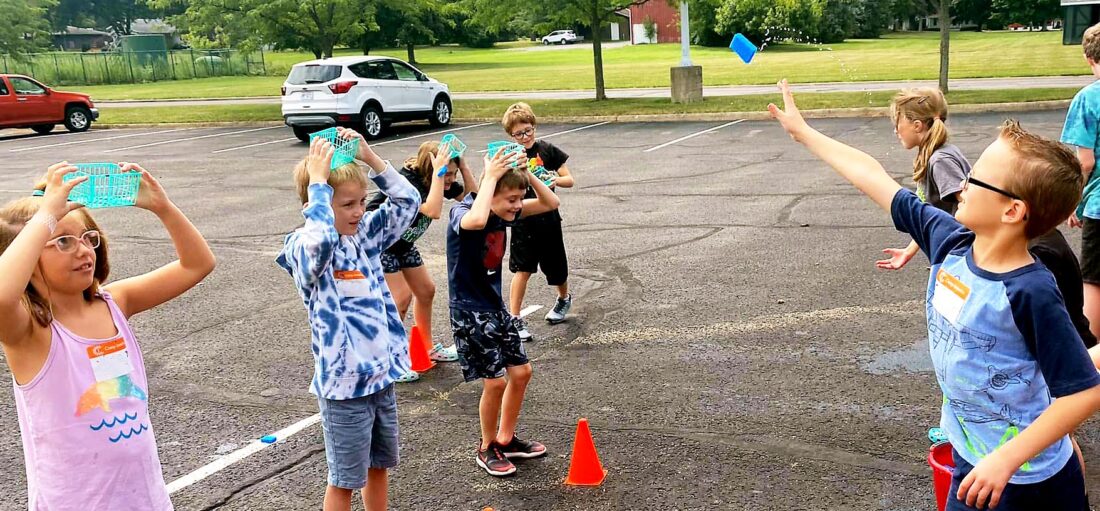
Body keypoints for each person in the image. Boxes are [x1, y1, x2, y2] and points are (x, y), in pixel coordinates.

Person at [770, 79, 1100, 511]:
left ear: (1012, 211)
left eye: (977, 179)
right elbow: (873, 176)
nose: (963, 183)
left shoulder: (1030, 290)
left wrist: (1005, 460)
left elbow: (1082, 392)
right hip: (970, 457)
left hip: (1026, 481)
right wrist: (804, 132)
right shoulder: (949, 241)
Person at [0, 162, 216, 509]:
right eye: (63, 241)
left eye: (88, 238)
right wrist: (45, 218)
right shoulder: (29, 332)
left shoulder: (114, 302)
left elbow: (197, 264)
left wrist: (163, 207)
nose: (84, 250)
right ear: (25, 254)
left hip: (145, 499)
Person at [276, 129, 419, 511]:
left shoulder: (365, 236)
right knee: (343, 481)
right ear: (318, 204)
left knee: (379, 467)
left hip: (380, 378)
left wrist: (371, 159)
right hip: (343, 390)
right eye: (347, 205)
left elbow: (408, 201)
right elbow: (319, 242)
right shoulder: (303, 247)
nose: (358, 211)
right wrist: (319, 185)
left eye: (360, 202)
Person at [446, 149, 559, 476]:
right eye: (510, 199)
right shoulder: (464, 211)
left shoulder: (502, 213)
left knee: (521, 374)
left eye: (519, 199)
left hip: (495, 309)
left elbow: (552, 203)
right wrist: (491, 176)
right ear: (491, 192)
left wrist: (526, 175)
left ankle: (506, 439)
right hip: (470, 312)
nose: (517, 205)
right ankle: (486, 447)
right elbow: (476, 221)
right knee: (494, 383)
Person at [366, 140, 477, 382]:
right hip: (379, 243)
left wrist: (464, 167)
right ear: (432, 167)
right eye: (447, 174)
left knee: (426, 291)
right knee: (400, 298)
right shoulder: (411, 181)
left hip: (402, 243)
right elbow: (433, 210)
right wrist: (440, 176)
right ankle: (389, 361)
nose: (450, 179)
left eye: (453, 174)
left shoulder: (439, 180)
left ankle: (427, 348)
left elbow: (472, 200)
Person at [501, 103, 576, 339]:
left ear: (534, 127)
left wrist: (551, 178)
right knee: (522, 269)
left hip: (548, 218)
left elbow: (569, 179)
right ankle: (514, 317)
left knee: (557, 268)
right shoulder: (510, 156)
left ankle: (564, 298)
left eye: (528, 131)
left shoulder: (547, 150)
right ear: (510, 135)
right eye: (518, 134)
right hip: (522, 219)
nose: (524, 137)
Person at [877, 88, 971, 271]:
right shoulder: (934, 155)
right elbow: (931, 214)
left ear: (917, 125)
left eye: (898, 123)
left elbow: (970, 203)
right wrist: (908, 251)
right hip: (951, 252)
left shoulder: (941, 160)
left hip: (959, 255)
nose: (895, 130)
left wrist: (962, 252)